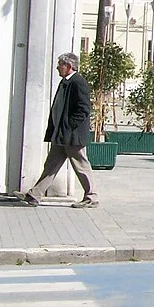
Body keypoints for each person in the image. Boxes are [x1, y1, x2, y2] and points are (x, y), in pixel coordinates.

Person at [22, 53, 98, 207]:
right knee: (51, 165)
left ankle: (91, 197)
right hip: (62, 134)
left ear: (69, 66)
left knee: (81, 165)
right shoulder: (65, 82)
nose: (57, 67)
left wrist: (69, 126)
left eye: (60, 65)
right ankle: (35, 194)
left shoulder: (78, 82)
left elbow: (83, 109)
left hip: (72, 136)